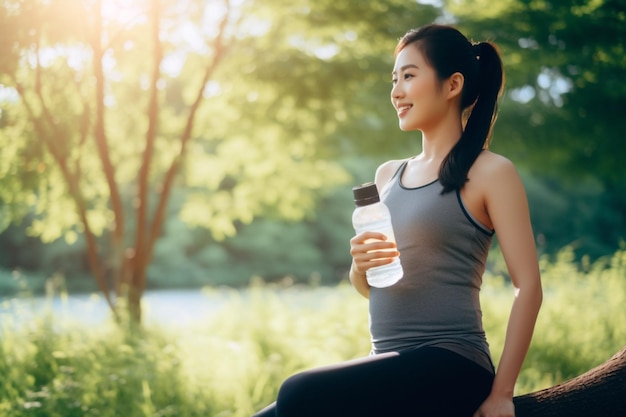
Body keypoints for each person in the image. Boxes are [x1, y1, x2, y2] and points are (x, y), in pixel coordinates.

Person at [253, 23, 542, 417]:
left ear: (452, 84)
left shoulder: (491, 172)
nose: (396, 91)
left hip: (454, 363)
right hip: (390, 362)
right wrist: (360, 266)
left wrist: (502, 393)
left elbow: (528, 287)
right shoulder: (388, 175)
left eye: (409, 76)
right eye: (394, 79)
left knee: (298, 393)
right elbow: (373, 288)